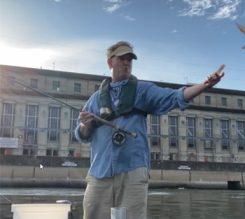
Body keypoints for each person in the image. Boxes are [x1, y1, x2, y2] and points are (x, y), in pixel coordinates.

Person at [75, 41, 225, 219]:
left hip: (132, 171)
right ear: (110, 63)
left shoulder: (143, 90)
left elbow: (175, 97)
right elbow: (82, 135)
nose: (126, 62)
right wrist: (85, 124)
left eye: (130, 59)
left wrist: (205, 85)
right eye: (122, 58)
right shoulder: (95, 99)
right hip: (99, 172)